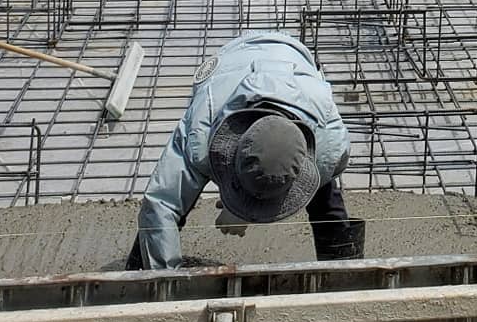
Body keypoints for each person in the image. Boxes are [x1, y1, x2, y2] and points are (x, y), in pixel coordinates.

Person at [128, 31, 363, 269]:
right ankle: (140, 276)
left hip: (296, 60)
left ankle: (345, 276)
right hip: (233, 60)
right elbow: (161, 203)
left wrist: (243, 209)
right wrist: (162, 282)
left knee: (325, 200)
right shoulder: (202, 130)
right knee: (174, 201)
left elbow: (310, 172)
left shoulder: (329, 147)